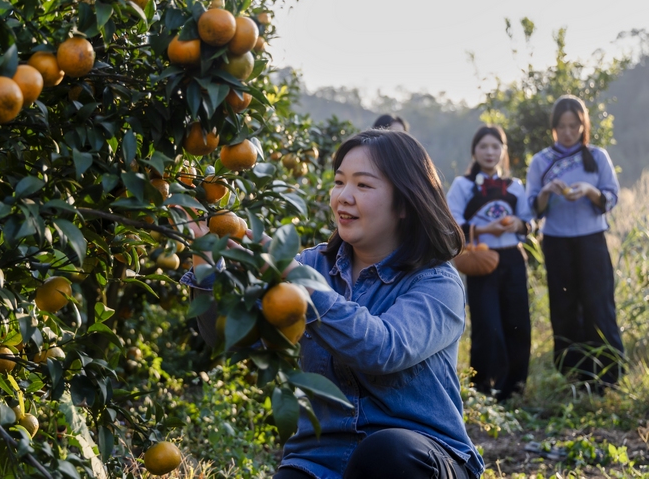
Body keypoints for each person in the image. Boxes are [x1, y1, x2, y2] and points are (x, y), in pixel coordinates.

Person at [181, 129, 485, 479]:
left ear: (404, 202)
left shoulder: (435, 281)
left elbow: (382, 349)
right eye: (339, 182)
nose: (344, 196)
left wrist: (299, 281)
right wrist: (205, 268)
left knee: (386, 454)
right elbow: (235, 338)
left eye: (363, 185)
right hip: (320, 461)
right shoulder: (310, 266)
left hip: (420, 457)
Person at [526, 95, 624, 389]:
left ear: (584, 126)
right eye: (562, 126)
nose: (568, 132)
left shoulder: (597, 156)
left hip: (592, 241)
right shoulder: (542, 161)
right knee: (565, 306)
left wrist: (590, 191)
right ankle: (573, 376)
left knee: (599, 305)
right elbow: (531, 205)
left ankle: (609, 376)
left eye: (574, 126)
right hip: (557, 243)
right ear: (553, 128)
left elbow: (611, 197)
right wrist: (547, 192)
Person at [446, 125, 533, 401]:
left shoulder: (514, 186)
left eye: (496, 147)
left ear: (503, 152)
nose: (490, 152)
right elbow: (452, 223)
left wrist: (519, 223)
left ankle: (514, 388)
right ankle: (483, 387)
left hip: (512, 258)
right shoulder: (464, 186)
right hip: (480, 259)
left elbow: (529, 222)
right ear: (474, 151)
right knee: (487, 325)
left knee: (518, 323)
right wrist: (486, 230)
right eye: (484, 146)